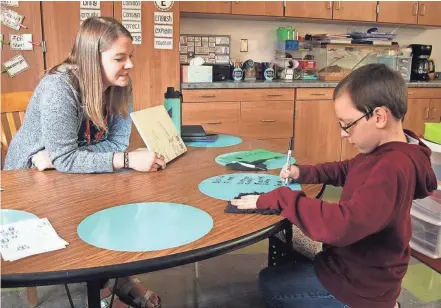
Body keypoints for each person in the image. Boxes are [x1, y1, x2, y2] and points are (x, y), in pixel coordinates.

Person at [230, 63, 437, 308]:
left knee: (269, 283)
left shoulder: (392, 166)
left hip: (361, 287)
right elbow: (345, 170)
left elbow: (342, 225)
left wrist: (283, 198)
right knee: (285, 269)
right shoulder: (388, 151)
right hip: (361, 267)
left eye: (347, 124)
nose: (342, 133)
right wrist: (302, 173)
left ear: (379, 117)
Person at [4, 17, 163, 308]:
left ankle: (119, 276)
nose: (129, 65)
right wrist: (123, 159)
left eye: (130, 57)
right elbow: (71, 158)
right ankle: (103, 289)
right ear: (92, 58)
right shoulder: (58, 88)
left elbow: (113, 144)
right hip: (28, 182)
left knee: (122, 201)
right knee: (96, 209)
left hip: (65, 171)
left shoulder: (120, 85)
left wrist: (72, 158)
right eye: (120, 58)